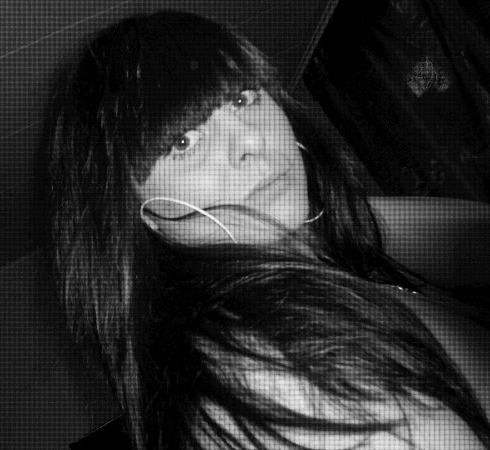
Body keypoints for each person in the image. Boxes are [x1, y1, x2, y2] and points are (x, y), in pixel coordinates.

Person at [47, 10, 490, 449]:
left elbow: (462, 241)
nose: (252, 140)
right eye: (184, 142)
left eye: (244, 99)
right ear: (140, 214)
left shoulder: (318, 234)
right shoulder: (261, 376)